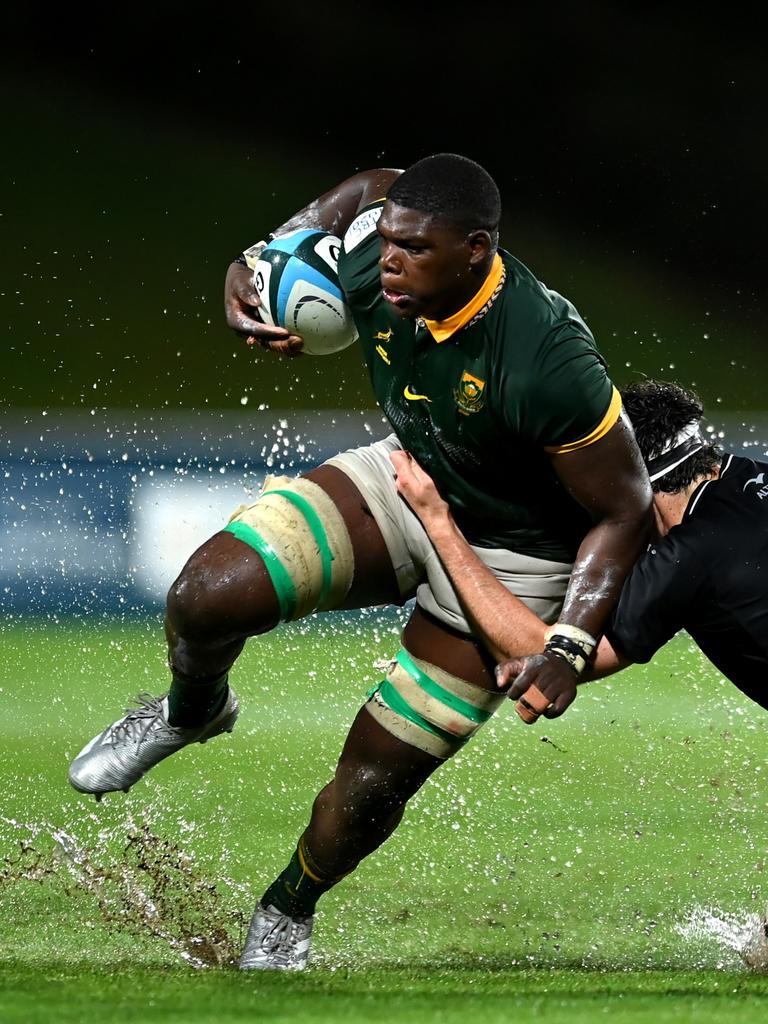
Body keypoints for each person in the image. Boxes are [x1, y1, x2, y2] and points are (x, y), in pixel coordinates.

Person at [67, 154, 652, 970]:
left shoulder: (548, 356)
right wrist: (258, 258)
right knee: (205, 595)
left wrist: (567, 643)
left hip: (518, 555)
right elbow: (377, 182)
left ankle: (286, 910)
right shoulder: (381, 247)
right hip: (412, 478)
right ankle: (189, 710)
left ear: (477, 251)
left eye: (414, 248)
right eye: (387, 242)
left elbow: (623, 510)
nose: (387, 260)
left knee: (374, 780)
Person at [397, 377, 768, 711]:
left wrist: (439, 523)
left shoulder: (686, 558)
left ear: (630, 486)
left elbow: (542, 660)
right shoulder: (750, 473)